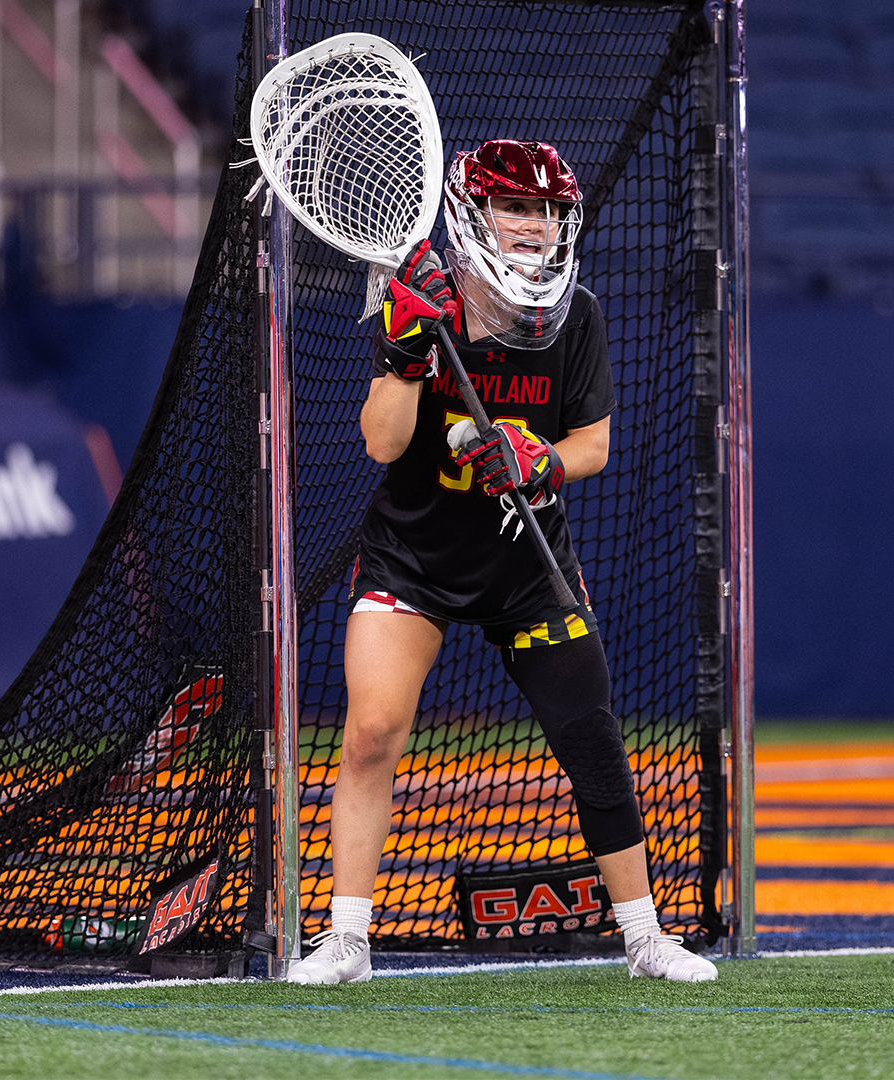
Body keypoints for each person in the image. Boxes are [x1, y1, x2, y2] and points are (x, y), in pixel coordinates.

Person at [285, 139, 717, 985]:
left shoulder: (579, 314)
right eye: (517, 207)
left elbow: (592, 444)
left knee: (591, 737)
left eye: (549, 210)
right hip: (413, 556)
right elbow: (381, 441)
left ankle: (643, 939)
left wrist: (540, 461)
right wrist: (410, 349)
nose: (536, 225)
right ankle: (346, 940)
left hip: (526, 562)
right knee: (371, 732)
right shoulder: (414, 300)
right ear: (474, 213)